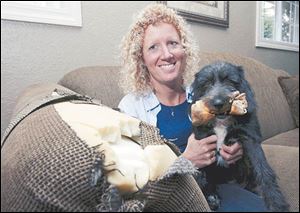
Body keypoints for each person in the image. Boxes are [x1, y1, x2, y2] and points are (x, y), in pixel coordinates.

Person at [118, 3, 267, 212]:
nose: (167, 54)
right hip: (172, 199)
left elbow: (238, 129)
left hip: (219, 188)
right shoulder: (131, 108)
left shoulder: (203, 93)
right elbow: (135, 184)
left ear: (184, 49)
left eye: (173, 43)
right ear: (141, 58)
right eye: (153, 47)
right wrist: (186, 161)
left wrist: (235, 149)